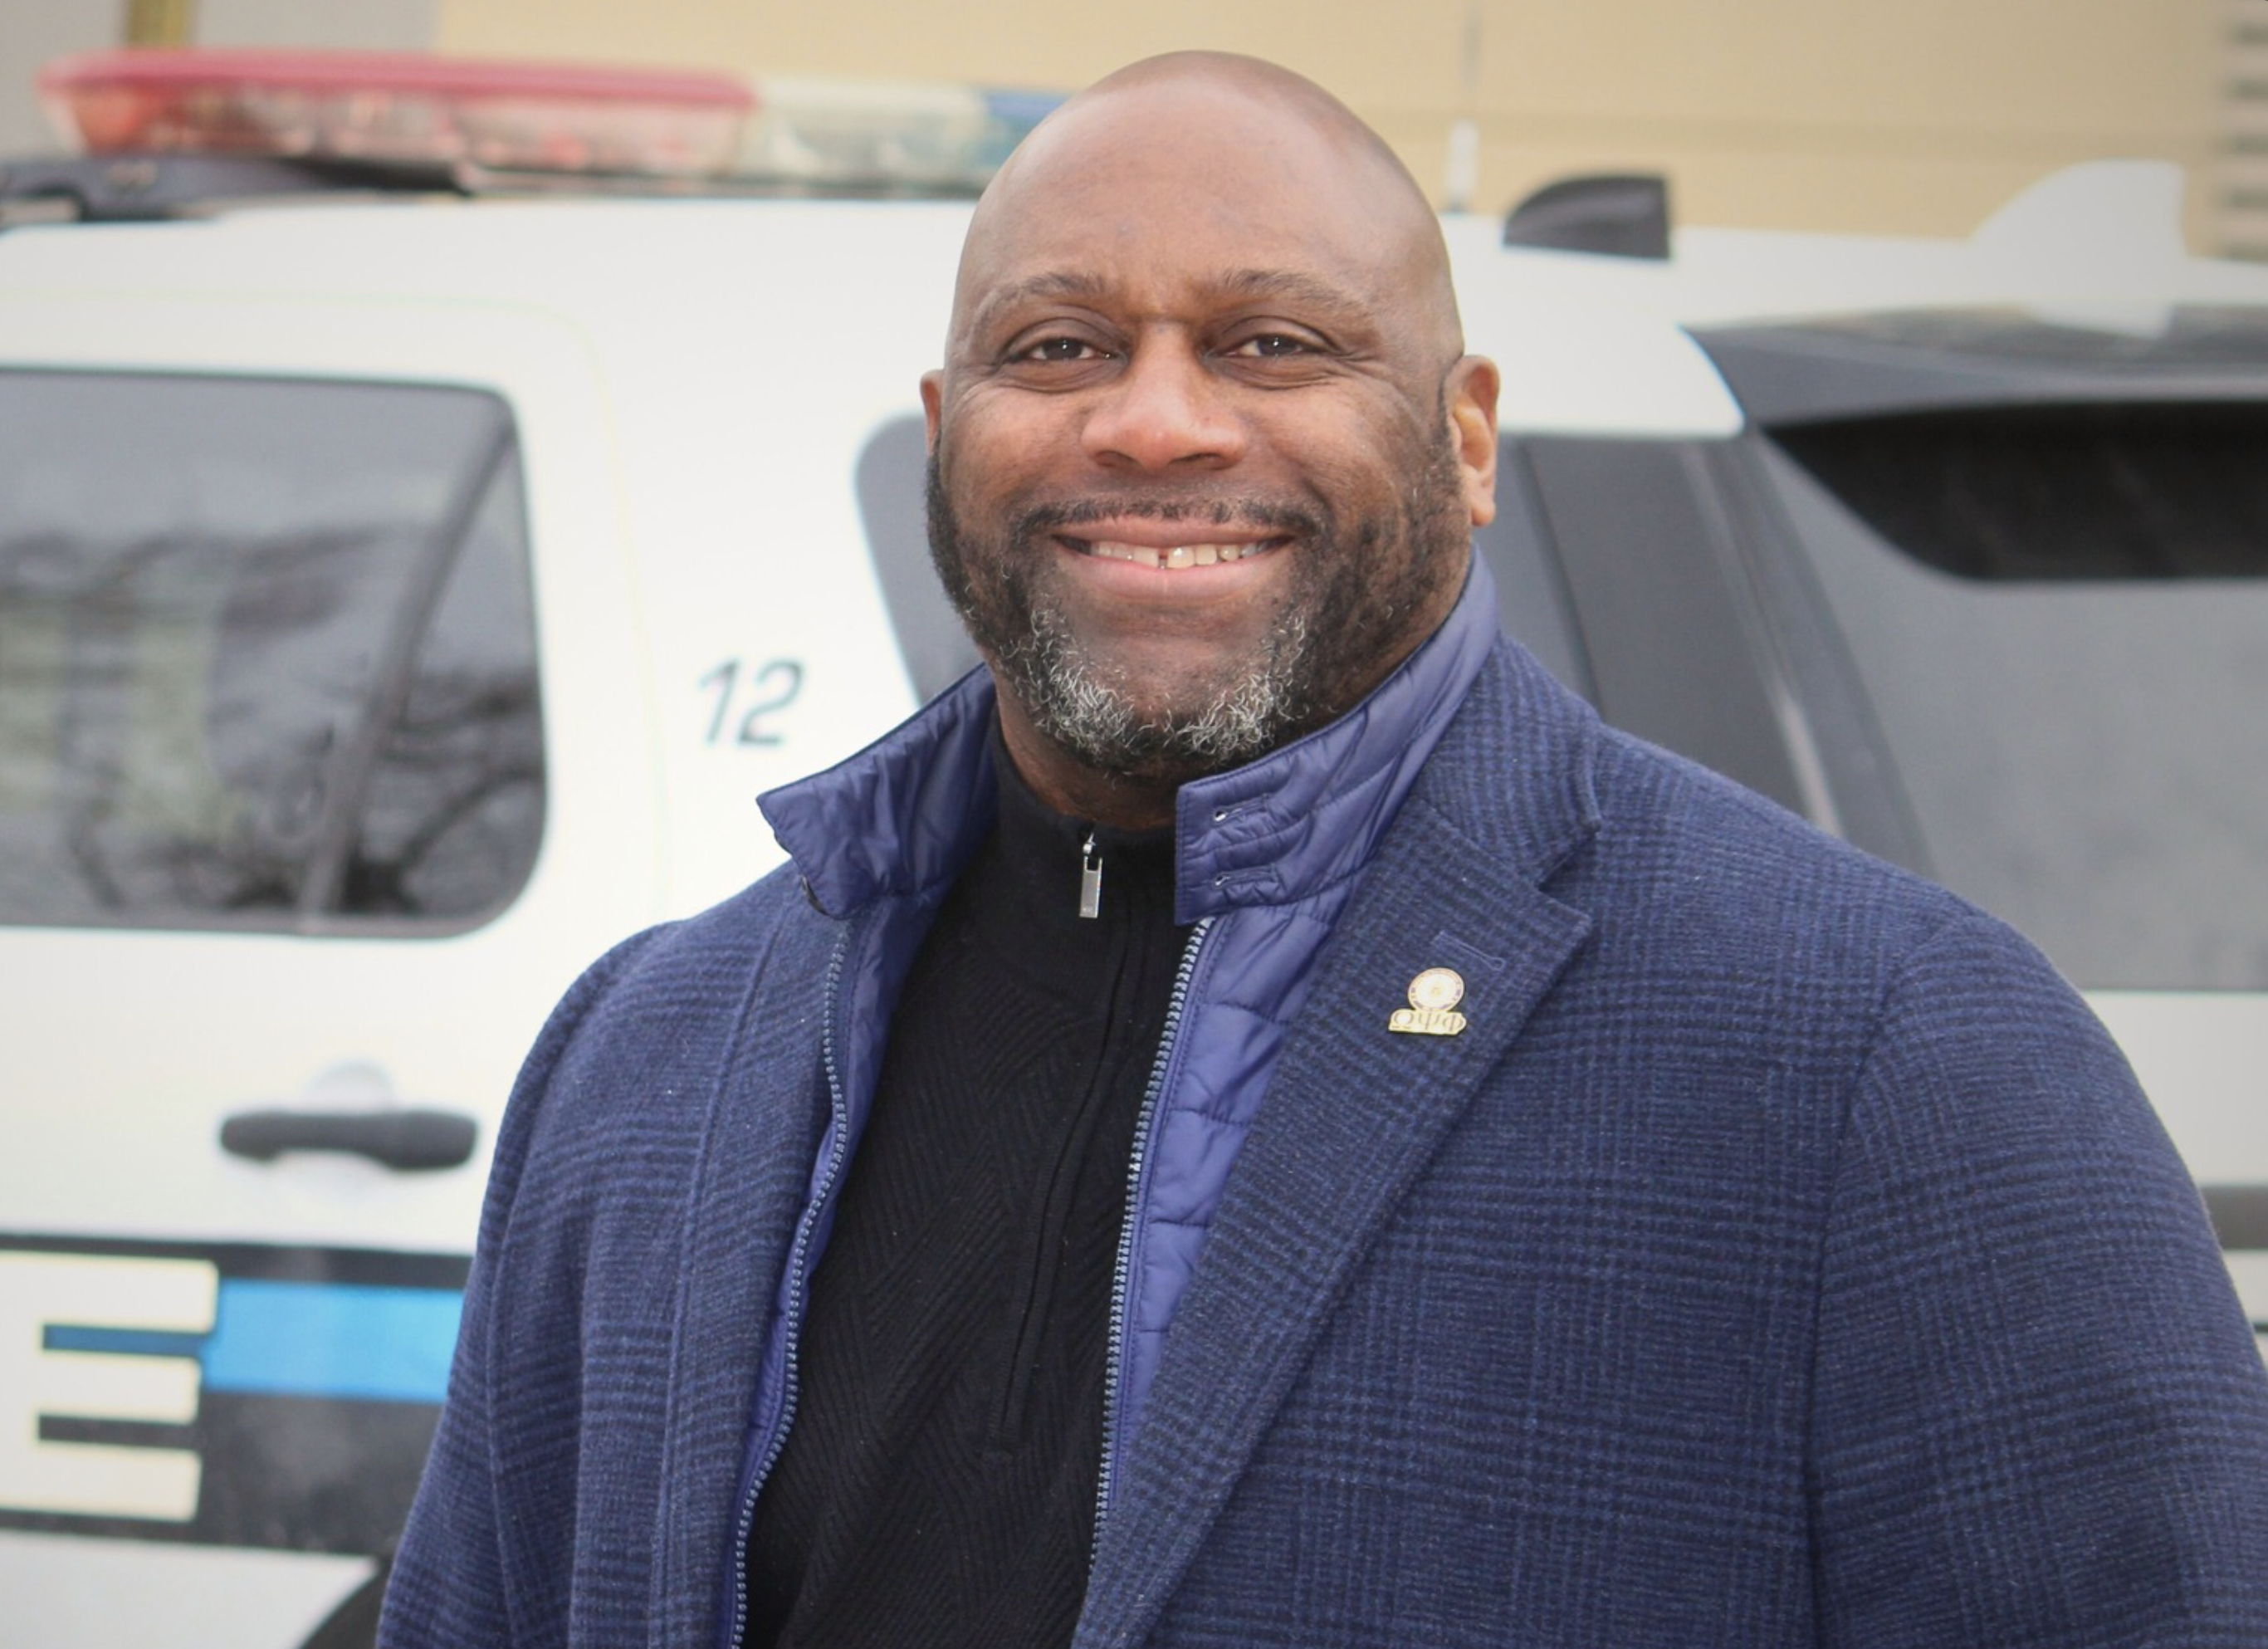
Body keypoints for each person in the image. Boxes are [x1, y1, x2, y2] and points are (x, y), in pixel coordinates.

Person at [380, 51, 2268, 1649]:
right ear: (949, 431)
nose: (1153, 420)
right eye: (1059, 345)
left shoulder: (1891, 1058)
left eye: (1272, 342)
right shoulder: (651, 1054)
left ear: (1467, 440)